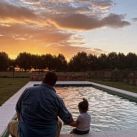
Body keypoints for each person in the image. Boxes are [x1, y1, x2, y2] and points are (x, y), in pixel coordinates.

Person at [8, 71, 74, 137]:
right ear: (54, 83)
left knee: (11, 124)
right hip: (48, 134)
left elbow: (18, 108)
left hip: (26, 134)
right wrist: (80, 123)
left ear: (44, 79)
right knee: (59, 123)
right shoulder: (57, 99)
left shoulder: (28, 91)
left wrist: (21, 123)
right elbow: (68, 120)